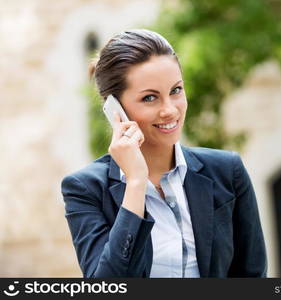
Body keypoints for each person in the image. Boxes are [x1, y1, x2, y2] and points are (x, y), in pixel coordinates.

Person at [61, 29, 267, 278]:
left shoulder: (227, 171)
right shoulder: (85, 189)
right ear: (114, 109)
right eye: (150, 98)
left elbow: (252, 275)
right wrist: (136, 183)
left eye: (176, 90)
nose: (170, 110)